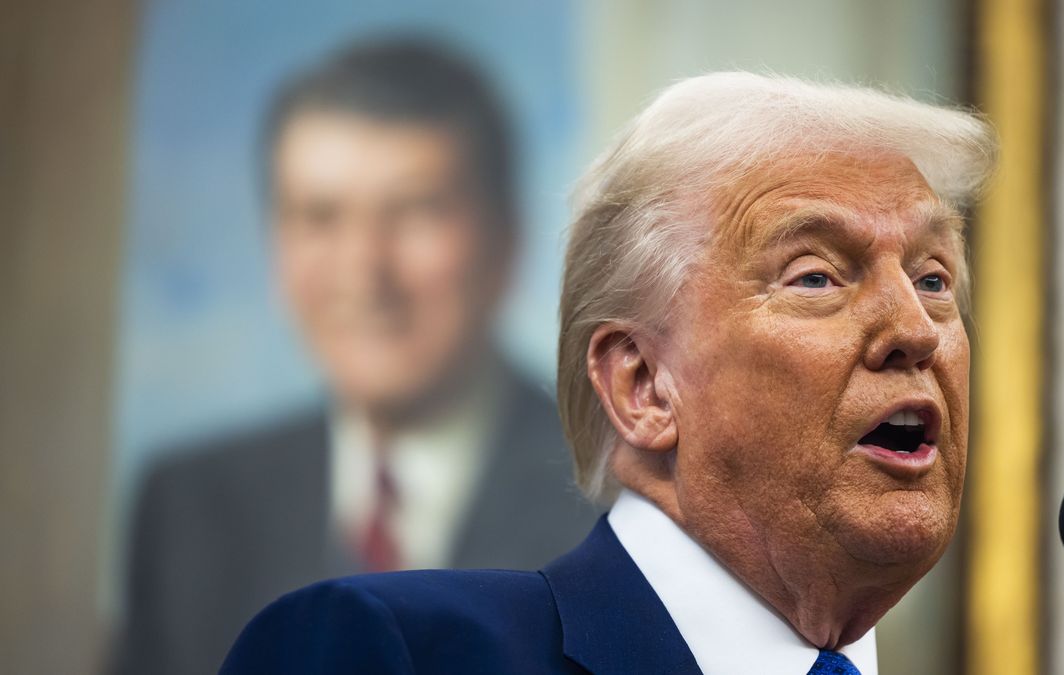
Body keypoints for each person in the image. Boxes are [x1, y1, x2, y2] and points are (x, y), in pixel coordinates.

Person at [219, 71, 997, 675]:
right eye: (816, 276)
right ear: (644, 384)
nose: (915, 329)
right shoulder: (396, 652)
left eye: (933, 277)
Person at [115, 38, 597, 675]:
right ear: (274, 244)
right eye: (319, 216)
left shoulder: (611, 497)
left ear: (504, 241)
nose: (363, 270)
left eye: (415, 211)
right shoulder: (187, 508)